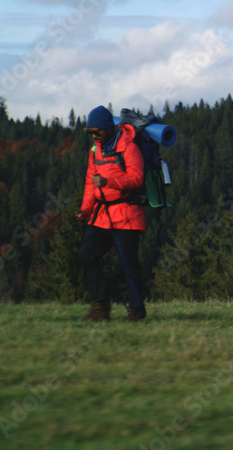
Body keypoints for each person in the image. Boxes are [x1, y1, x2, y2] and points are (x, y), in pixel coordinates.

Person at [75, 105, 148, 321]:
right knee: (87, 254)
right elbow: (90, 182)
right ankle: (100, 307)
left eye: (97, 131)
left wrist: (109, 181)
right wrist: (85, 210)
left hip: (127, 212)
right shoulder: (95, 150)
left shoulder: (129, 147)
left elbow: (136, 178)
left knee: (127, 263)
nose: (94, 136)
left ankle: (137, 310)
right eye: (91, 132)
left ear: (108, 128)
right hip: (102, 214)